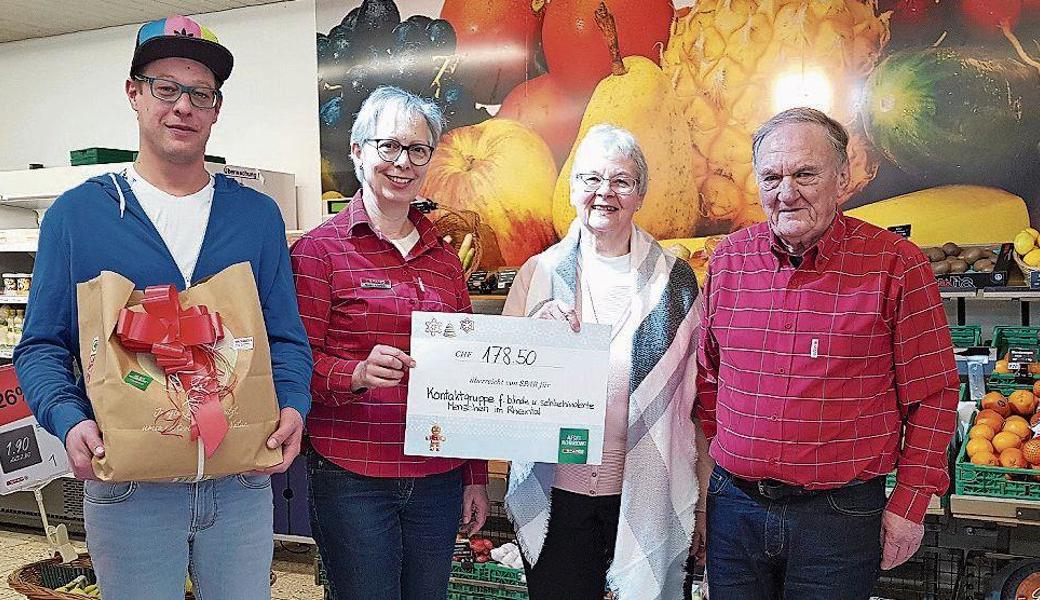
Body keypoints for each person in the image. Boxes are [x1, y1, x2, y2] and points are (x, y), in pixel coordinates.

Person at [13, 14, 313, 600]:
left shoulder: (255, 217)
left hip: (239, 480)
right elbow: (42, 344)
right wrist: (68, 417)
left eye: (200, 93)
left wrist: (295, 402)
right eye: (165, 87)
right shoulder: (79, 216)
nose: (183, 107)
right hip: (130, 487)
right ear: (134, 93)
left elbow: (287, 336)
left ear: (217, 108)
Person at [695, 107, 959, 600]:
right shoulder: (729, 259)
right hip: (735, 510)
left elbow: (936, 395)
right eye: (771, 177)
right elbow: (709, 377)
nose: (786, 192)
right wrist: (713, 480)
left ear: (843, 179)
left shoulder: (895, 265)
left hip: (838, 519)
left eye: (805, 174)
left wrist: (909, 505)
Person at [290, 85, 489, 600]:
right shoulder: (320, 251)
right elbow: (291, 366)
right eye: (389, 146)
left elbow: (469, 376)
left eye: (418, 150)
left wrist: (474, 474)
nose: (403, 162)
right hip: (353, 472)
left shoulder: (445, 261)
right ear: (357, 152)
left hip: (437, 474)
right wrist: (353, 373)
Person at [503, 124, 711, 600]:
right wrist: (536, 341)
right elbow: (504, 394)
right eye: (590, 179)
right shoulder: (538, 274)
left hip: (647, 495)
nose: (605, 192)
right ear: (573, 189)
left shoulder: (675, 280)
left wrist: (701, 504)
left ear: (641, 193)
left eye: (621, 180)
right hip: (559, 500)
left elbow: (698, 402)